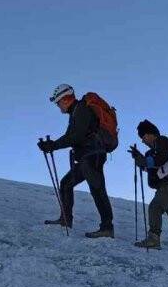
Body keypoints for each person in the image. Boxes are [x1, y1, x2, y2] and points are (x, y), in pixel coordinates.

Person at [38, 84, 114, 238]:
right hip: (88, 155)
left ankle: (107, 228)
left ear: (65, 99)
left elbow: (75, 136)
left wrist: (53, 145)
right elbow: (71, 137)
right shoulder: (76, 113)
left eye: (58, 102)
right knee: (66, 183)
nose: (58, 106)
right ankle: (66, 219)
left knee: (97, 189)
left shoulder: (81, 110)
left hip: (93, 155)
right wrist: (52, 145)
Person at [128, 119, 168, 255]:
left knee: (155, 207)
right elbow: (155, 167)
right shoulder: (156, 149)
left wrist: (143, 160)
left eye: (143, 136)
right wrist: (140, 158)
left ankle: (153, 239)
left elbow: (160, 160)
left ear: (151, 134)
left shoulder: (162, 141)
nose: (143, 140)